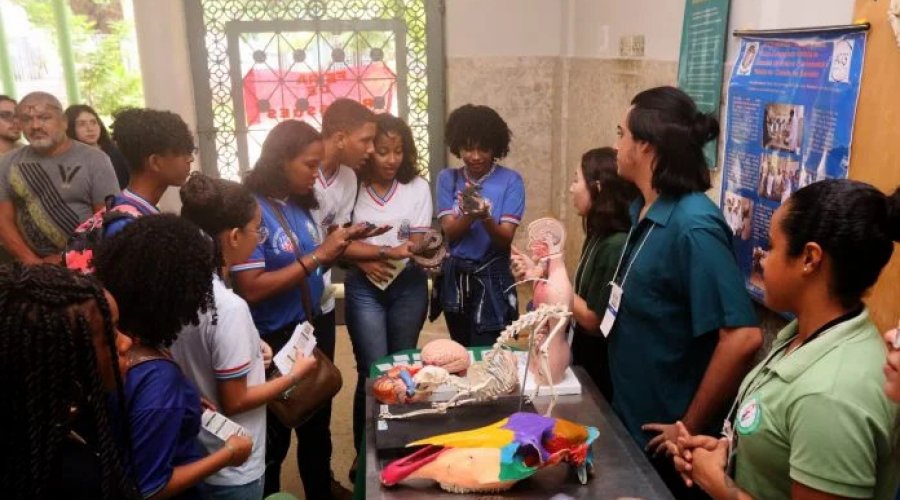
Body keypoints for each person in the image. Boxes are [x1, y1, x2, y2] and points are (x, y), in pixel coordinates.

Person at [670, 179, 900, 500]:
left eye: (772, 246)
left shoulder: (831, 396)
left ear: (809, 258)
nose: (762, 259)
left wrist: (719, 485)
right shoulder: (807, 335)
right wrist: (730, 453)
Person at [610, 86, 761, 496]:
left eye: (621, 133)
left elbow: (743, 336)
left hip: (669, 447)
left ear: (645, 145)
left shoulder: (694, 225)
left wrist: (687, 427)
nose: (616, 144)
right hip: (629, 417)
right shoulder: (643, 209)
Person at [233, 119, 367, 499]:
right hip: (272, 339)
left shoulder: (299, 203)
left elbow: (310, 263)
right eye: (309, 165)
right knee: (274, 435)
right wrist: (318, 257)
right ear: (280, 161)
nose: (316, 174)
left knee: (316, 422)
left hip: (310, 326)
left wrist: (335, 250)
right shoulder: (249, 210)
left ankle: (319, 488)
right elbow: (251, 287)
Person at [172, 172, 319, 498]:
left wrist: (254, 348)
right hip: (233, 465)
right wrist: (295, 375)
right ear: (235, 237)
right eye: (258, 230)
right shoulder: (228, 307)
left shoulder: (180, 289)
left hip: (196, 450)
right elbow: (235, 400)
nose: (260, 238)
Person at [93, 214, 253, 499]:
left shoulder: (120, 340)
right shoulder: (158, 381)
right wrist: (228, 454)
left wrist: (186, 395)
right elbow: (149, 488)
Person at [0, 263, 139, 499]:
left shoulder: (40, 412)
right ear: (63, 359)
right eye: (111, 335)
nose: (126, 342)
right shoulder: (76, 481)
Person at [513, 147, 636, 400]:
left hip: (599, 364)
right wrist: (539, 274)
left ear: (598, 188)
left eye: (576, 180)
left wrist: (546, 280)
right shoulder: (598, 235)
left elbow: (592, 318)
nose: (571, 188)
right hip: (578, 349)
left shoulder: (615, 244)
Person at [342, 113, 431, 458]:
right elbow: (336, 241)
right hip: (365, 288)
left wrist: (417, 246)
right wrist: (366, 258)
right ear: (368, 152)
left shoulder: (417, 187)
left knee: (402, 365)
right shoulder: (353, 185)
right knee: (373, 368)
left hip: (407, 285)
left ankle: (398, 447)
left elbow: (419, 239)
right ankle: (365, 453)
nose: (391, 159)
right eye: (382, 151)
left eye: (398, 151)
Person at [307, 98, 376, 488]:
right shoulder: (300, 171)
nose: (370, 149)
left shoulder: (349, 178)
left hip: (321, 302)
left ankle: (322, 482)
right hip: (287, 302)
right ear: (339, 136)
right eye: (365, 140)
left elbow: (339, 239)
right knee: (284, 406)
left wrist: (363, 255)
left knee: (321, 392)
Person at [435, 104, 524, 347]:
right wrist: (471, 215)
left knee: (487, 354)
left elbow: (505, 238)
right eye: (467, 148)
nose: (475, 156)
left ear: (495, 146)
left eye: (483, 148)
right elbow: (449, 232)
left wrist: (484, 217)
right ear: (457, 146)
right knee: (461, 351)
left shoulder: (511, 181)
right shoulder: (447, 179)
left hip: (493, 282)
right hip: (456, 282)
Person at [0, 91, 119, 264]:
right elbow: (3, 220)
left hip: (87, 266)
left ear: (63, 122)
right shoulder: (8, 163)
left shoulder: (95, 160)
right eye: (26, 119)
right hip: (29, 270)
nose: (35, 125)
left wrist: (69, 258)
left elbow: (108, 220)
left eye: (44, 117)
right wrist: (31, 261)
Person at [103, 107, 196, 237]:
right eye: (184, 153)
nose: (190, 159)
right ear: (155, 162)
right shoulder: (127, 226)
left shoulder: (134, 209)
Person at [65, 104, 131, 188]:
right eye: (82, 124)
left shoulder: (116, 153)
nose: (90, 129)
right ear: (70, 128)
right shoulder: (68, 161)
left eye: (93, 122)